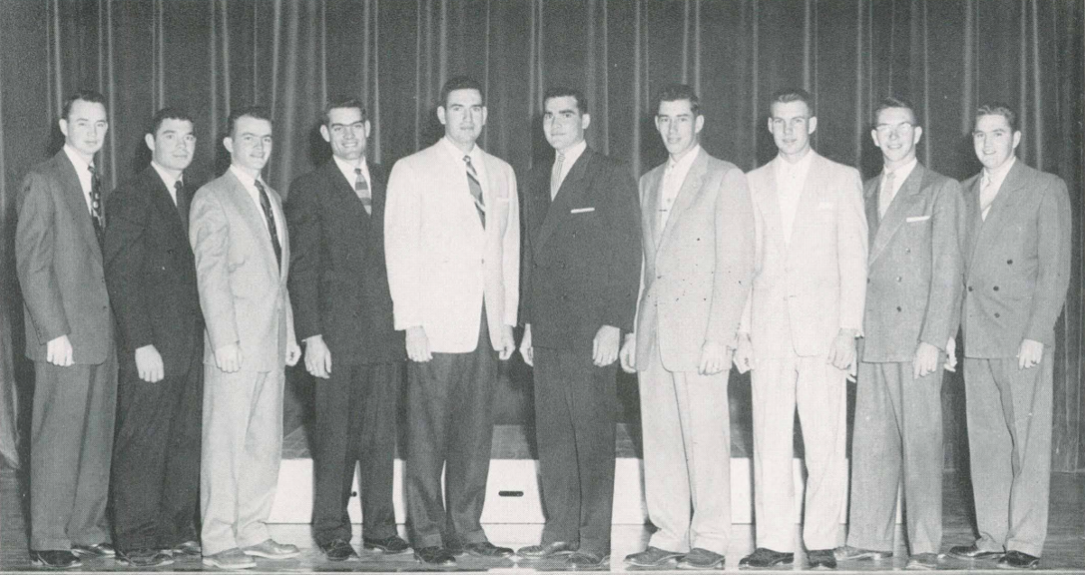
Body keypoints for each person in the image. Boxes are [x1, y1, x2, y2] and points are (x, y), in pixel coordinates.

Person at [384, 76, 520, 566]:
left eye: (475, 108)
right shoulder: (412, 169)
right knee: (427, 433)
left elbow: (509, 249)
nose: (467, 117)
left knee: (474, 432)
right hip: (434, 326)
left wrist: (506, 319)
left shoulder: (501, 173)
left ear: (485, 115)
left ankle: (467, 526)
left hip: (485, 325)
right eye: (457, 108)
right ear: (440, 114)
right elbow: (399, 248)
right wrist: (411, 322)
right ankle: (427, 532)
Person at [619, 84, 754, 571]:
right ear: (656, 124)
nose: (672, 128)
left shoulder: (725, 178)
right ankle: (669, 533)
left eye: (681, 119)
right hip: (654, 332)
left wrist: (721, 336)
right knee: (659, 440)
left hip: (700, 337)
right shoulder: (648, 180)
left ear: (699, 123)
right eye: (664, 119)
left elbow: (737, 264)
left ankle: (712, 539)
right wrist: (634, 331)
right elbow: (641, 265)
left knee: (706, 440)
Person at [733, 88, 868, 570]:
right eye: (779, 122)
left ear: (812, 124)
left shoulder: (842, 179)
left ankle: (823, 540)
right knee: (768, 442)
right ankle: (772, 541)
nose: (788, 130)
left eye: (797, 121)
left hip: (823, 335)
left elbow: (855, 261)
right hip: (768, 335)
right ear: (768, 127)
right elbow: (743, 267)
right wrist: (742, 333)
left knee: (825, 442)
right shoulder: (749, 183)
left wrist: (848, 329)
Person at [833, 97, 964, 570]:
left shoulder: (940, 189)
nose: (893, 136)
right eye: (884, 129)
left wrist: (935, 339)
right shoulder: (861, 190)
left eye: (902, 127)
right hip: (871, 337)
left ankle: (925, 544)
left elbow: (949, 269)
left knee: (922, 445)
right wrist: (848, 336)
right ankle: (868, 536)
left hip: (915, 342)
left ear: (918, 133)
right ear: (873, 137)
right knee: (870, 443)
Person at [517, 86, 642, 569]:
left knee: (591, 435)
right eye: (548, 115)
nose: (556, 123)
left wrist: (615, 322)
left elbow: (626, 253)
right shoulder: (533, 179)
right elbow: (530, 259)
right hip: (546, 330)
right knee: (552, 436)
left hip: (592, 330)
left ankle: (594, 538)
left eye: (566, 114)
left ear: (586, 120)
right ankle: (559, 531)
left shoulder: (608, 175)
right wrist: (527, 324)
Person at [946, 102, 1071, 570]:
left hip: (1022, 337)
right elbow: (957, 274)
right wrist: (950, 336)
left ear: (1015, 138)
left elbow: (1055, 269)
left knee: (1027, 442)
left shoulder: (1043, 188)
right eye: (980, 135)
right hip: (976, 336)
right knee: (987, 442)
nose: (987, 143)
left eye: (997, 134)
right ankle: (992, 534)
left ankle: (1025, 541)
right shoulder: (960, 193)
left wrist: (1038, 333)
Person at [285, 97, 408, 562]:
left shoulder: (391, 179)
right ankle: (332, 528)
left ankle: (380, 528)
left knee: (381, 437)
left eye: (355, 126)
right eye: (338, 129)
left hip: (385, 335)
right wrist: (311, 335)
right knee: (335, 436)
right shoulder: (309, 187)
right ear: (325, 135)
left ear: (369, 128)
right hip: (335, 337)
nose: (348, 135)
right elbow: (303, 268)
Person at [189, 106, 302, 569]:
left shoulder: (271, 197)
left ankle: (252, 529)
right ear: (229, 144)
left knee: (263, 442)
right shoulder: (213, 197)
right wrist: (224, 340)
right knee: (225, 444)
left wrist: (290, 332)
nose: (259, 147)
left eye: (267, 139)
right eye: (249, 138)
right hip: (233, 345)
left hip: (270, 344)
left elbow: (279, 278)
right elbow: (209, 274)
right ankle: (218, 539)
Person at [15, 89, 117, 569]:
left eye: (100, 124)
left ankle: (85, 528)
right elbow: (32, 265)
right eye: (83, 123)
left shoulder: (97, 181)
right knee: (56, 437)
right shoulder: (44, 179)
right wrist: (52, 331)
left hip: (100, 334)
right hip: (62, 337)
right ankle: (48, 538)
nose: (92, 132)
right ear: (63, 125)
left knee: (94, 438)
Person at [104, 107, 205, 567]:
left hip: (188, 345)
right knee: (142, 442)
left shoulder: (194, 195)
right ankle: (136, 537)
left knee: (182, 440)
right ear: (150, 141)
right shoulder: (133, 195)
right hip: (150, 347)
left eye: (188, 137)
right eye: (170, 136)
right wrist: (141, 343)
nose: (181, 145)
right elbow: (122, 275)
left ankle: (172, 529)